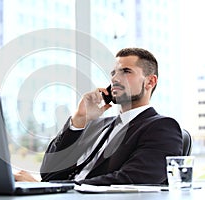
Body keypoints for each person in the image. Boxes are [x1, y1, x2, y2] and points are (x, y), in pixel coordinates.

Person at [14, 47, 183, 186]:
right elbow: (48, 172)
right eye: (113, 73)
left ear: (150, 82)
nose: (115, 78)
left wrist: (56, 189)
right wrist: (79, 120)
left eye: (126, 71)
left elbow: (133, 180)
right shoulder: (97, 125)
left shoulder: (162, 127)